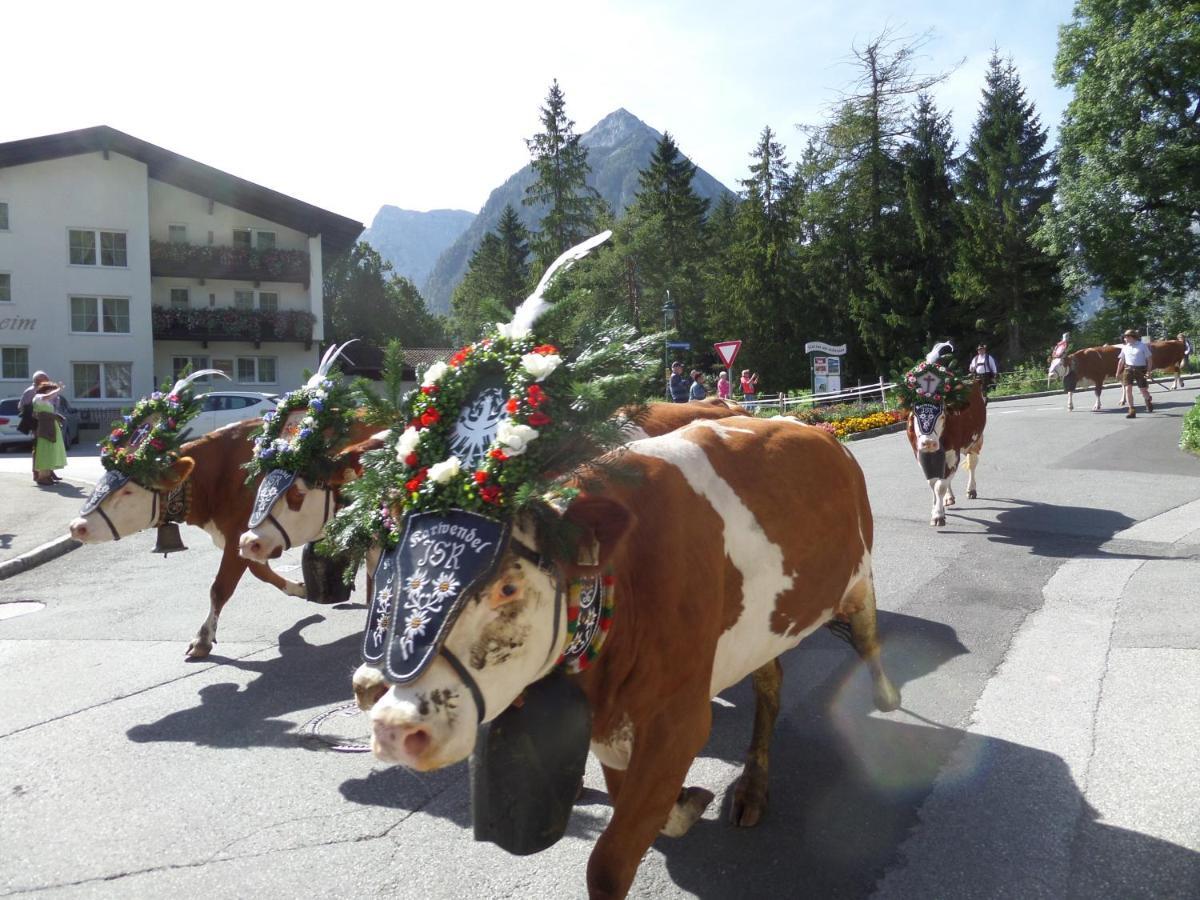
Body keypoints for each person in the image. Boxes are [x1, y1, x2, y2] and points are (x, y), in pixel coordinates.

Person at [31, 380, 67, 485]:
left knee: (50, 450)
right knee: (45, 450)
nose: (53, 394)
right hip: (45, 428)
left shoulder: (45, 400)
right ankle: (42, 476)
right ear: (46, 390)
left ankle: (46, 475)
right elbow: (47, 397)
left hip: (50, 426)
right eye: (51, 390)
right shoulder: (38, 397)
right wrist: (58, 389)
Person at [18, 371, 50, 482]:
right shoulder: (30, 392)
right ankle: (37, 473)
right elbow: (21, 407)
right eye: (45, 379)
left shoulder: (46, 390)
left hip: (47, 422)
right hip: (36, 423)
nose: (48, 381)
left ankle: (48, 472)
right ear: (38, 380)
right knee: (38, 448)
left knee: (48, 447)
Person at [1116, 328, 1154, 418]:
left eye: (1126, 337)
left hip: (1140, 370)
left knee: (1143, 390)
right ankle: (1131, 410)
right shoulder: (1125, 347)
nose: (1125, 339)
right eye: (1125, 337)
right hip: (1128, 369)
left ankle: (1148, 399)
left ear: (1132, 337)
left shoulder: (1142, 346)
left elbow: (1149, 359)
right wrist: (1118, 372)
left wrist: (1149, 372)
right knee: (1127, 389)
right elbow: (1121, 361)